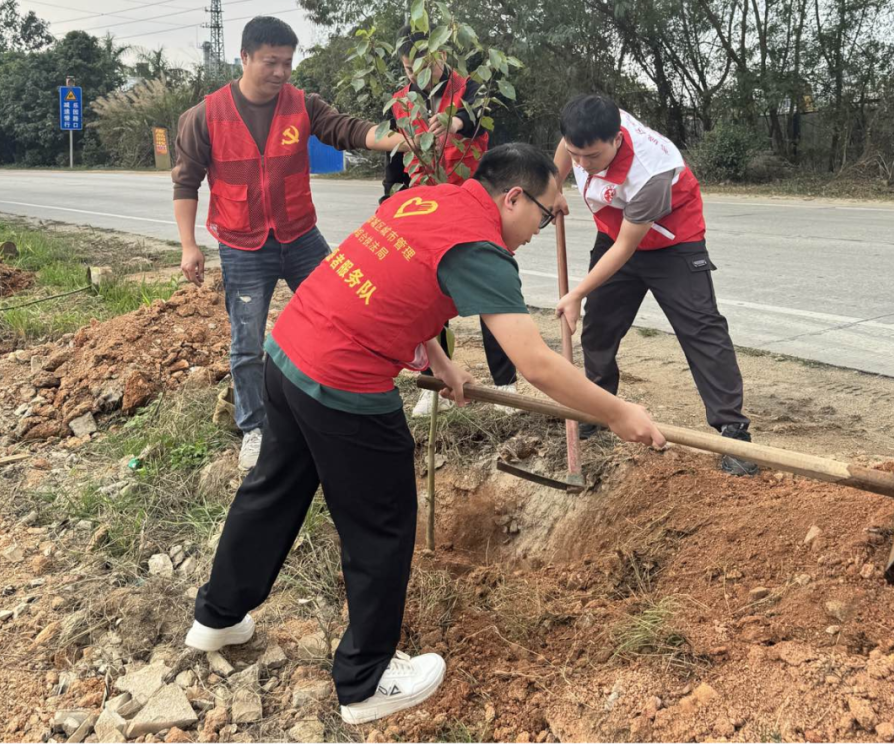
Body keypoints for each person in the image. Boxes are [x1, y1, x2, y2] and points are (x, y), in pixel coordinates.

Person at [183, 143, 666, 725]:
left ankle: (217, 617)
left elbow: (393, 282)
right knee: (381, 527)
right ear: (513, 197)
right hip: (343, 384)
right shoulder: (481, 249)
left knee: (272, 490)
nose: (544, 227)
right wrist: (616, 412)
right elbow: (535, 363)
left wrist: (436, 358)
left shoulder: (427, 201)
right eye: (547, 212)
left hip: (288, 353)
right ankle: (365, 681)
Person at [172, 16, 411, 469]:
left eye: (287, 62)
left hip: (301, 236)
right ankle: (254, 427)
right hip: (242, 245)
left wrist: (404, 139)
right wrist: (189, 245)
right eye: (270, 62)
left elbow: (349, 129)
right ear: (244, 57)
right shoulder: (205, 116)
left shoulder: (302, 105)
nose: (281, 72)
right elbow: (186, 184)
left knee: (343, 316)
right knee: (246, 343)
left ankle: (343, 404)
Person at [552, 94, 758, 476]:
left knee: (701, 328)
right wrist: (553, 187)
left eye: (592, 157)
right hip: (615, 231)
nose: (582, 165)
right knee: (599, 326)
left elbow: (628, 247)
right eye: (575, 155)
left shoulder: (650, 171)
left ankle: (733, 431)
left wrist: (576, 293)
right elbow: (566, 150)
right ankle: (598, 407)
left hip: (672, 241)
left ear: (616, 139)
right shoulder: (585, 136)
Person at [381, 23, 518, 417]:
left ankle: (505, 382)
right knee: (429, 298)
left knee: (491, 290)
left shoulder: (469, 90)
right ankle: (435, 382)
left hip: (471, 203)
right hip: (425, 210)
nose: (416, 75)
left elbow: (478, 121)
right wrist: (389, 198)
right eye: (408, 68)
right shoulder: (403, 102)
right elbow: (395, 155)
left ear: (440, 53)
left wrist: (455, 123)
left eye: (424, 63)